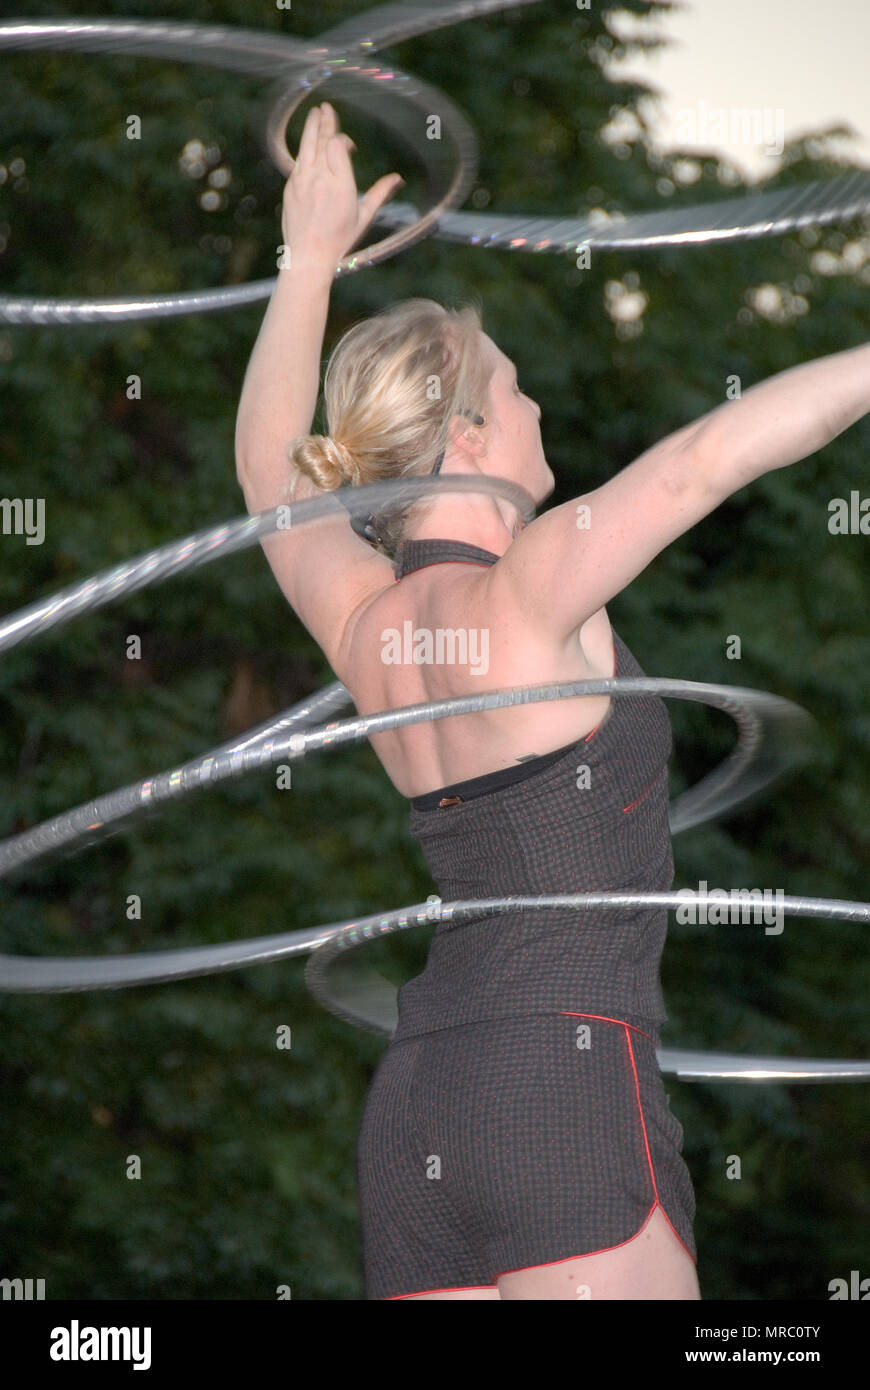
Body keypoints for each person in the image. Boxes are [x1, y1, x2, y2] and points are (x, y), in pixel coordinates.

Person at [235, 101, 870, 1300]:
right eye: (515, 389)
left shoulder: (365, 619)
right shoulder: (532, 588)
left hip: (425, 1099)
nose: (538, 411)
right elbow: (705, 459)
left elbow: (268, 462)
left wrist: (308, 254)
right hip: (561, 1090)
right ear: (470, 431)